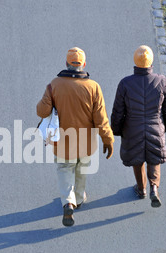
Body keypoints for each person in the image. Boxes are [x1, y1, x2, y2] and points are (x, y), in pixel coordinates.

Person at [37, 47, 114, 226]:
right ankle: (78, 199)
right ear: (84, 65)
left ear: (66, 64)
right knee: (82, 169)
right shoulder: (94, 87)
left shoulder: (54, 85)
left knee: (65, 168)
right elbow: (101, 119)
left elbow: (42, 111)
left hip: (63, 142)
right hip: (86, 143)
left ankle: (67, 202)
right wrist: (108, 139)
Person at [111, 45, 166, 208]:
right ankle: (154, 187)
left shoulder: (125, 83)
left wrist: (116, 129)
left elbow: (118, 110)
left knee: (137, 159)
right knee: (154, 158)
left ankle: (141, 189)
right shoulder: (162, 81)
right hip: (155, 126)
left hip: (132, 128)